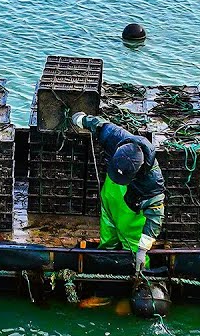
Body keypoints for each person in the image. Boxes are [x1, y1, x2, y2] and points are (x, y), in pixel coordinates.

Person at [70, 112, 165, 275]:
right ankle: (104, 269)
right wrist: (81, 120)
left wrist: (143, 249)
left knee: (133, 245)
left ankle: (140, 277)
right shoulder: (118, 137)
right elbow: (99, 125)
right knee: (108, 235)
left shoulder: (152, 180)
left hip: (131, 207)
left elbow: (156, 214)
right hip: (110, 198)